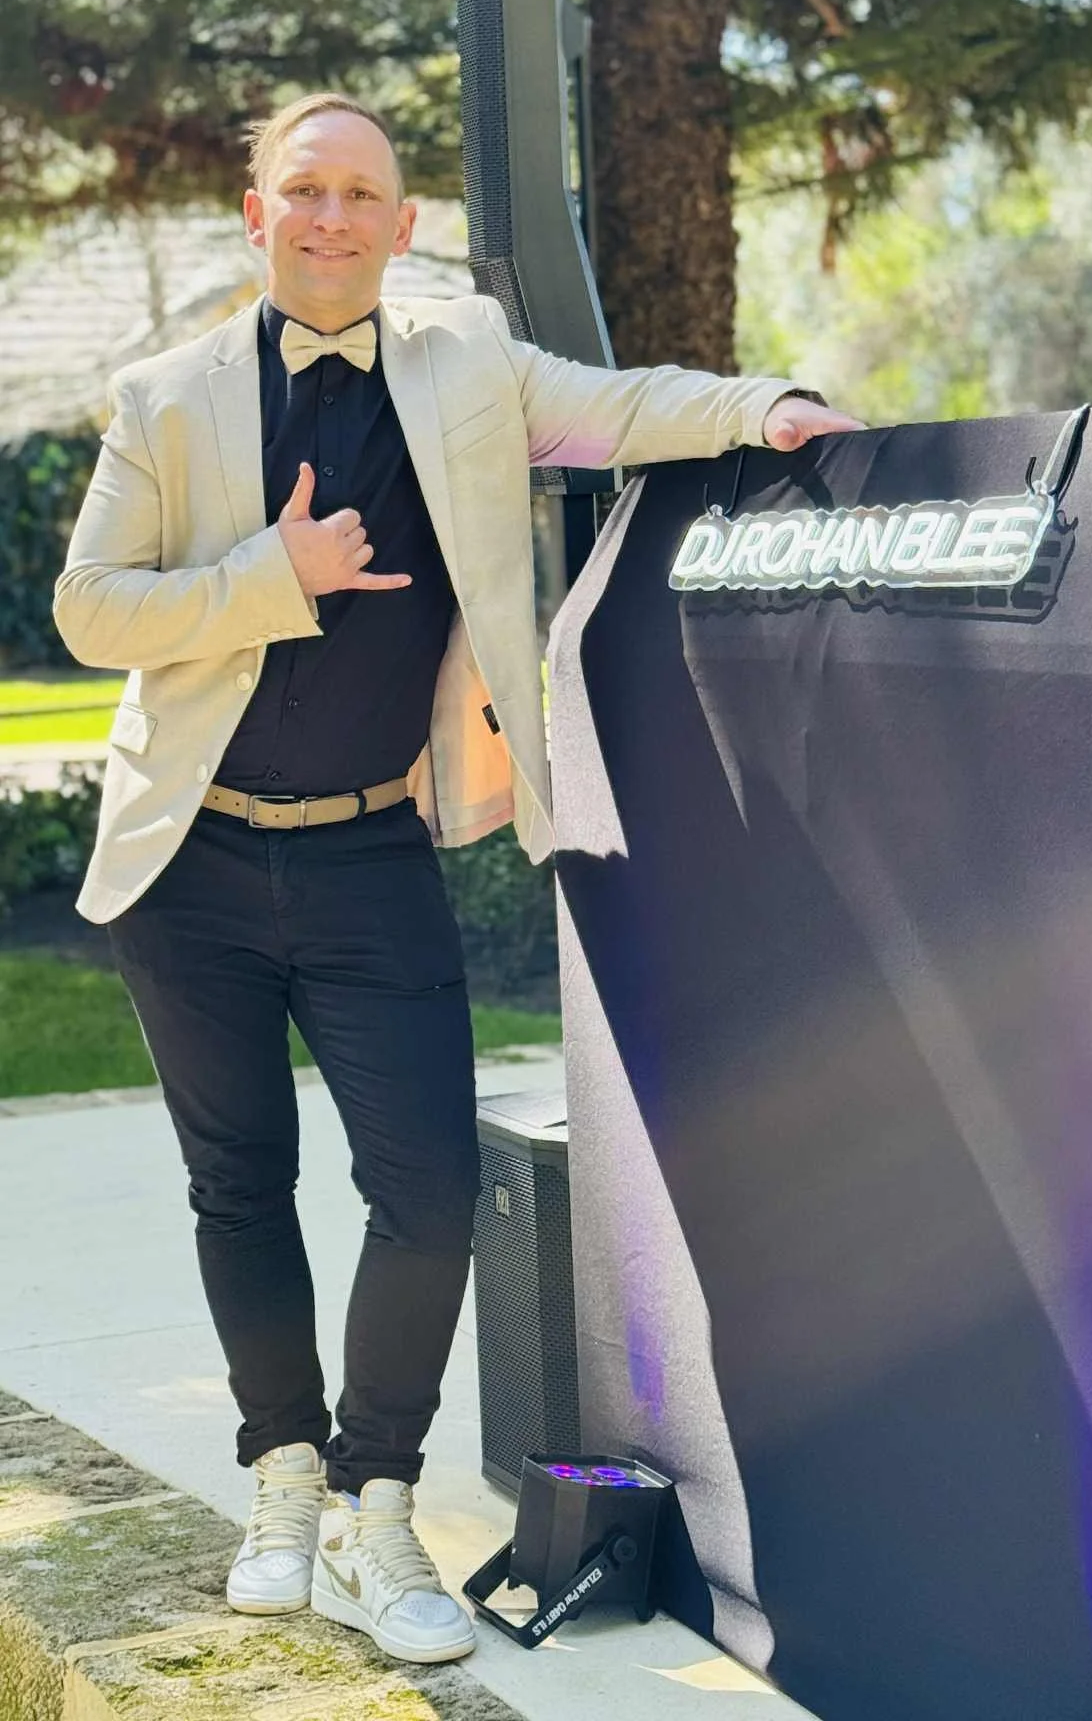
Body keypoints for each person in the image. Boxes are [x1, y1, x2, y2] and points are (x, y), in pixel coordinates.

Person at [52, 92, 863, 1665]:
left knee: (425, 1196)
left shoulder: (466, 366)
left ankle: (377, 1494)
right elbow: (93, 613)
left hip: (368, 849)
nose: (334, 217)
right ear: (256, 212)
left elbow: (623, 410)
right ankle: (283, 1475)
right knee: (240, 1188)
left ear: (402, 224)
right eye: (305, 191)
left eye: (363, 193)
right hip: (191, 864)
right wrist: (265, 579)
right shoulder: (166, 396)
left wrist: (762, 406)